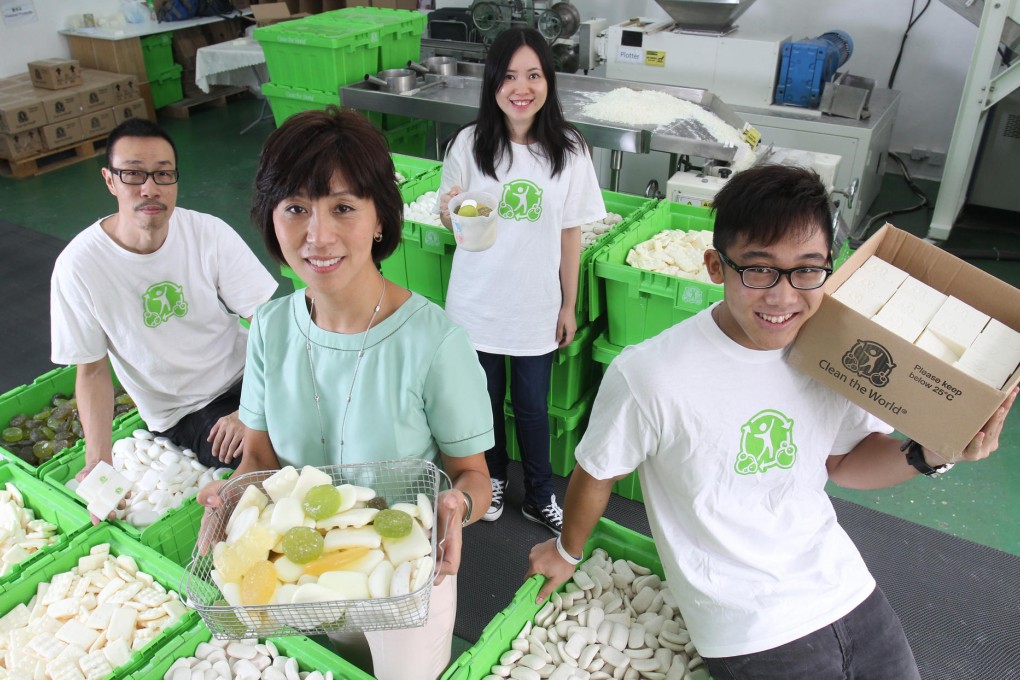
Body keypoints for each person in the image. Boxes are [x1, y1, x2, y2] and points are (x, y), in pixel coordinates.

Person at [527, 164, 1017, 680]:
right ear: (716, 267)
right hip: (746, 623)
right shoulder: (651, 373)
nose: (784, 296)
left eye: (807, 270)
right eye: (759, 270)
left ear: (832, 265)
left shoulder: (832, 353)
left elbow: (847, 464)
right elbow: (596, 472)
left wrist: (933, 453)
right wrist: (567, 550)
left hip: (844, 586)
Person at [197, 108, 494, 680]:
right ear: (270, 219)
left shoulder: (435, 342)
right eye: (296, 208)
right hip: (305, 573)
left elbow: (472, 476)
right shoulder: (271, 328)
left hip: (408, 579)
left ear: (381, 217)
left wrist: (459, 507)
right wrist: (234, 498)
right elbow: (259, 460)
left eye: (343, 207)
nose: (318, 236)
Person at [438, 27, 606, 535]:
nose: (522, 87)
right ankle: (491, 482)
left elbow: (570, 233)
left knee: (532, 408)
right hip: (476, 303)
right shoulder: (470, 144)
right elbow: (450, 215)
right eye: (509, 76)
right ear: (493, 84)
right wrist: (451, 210)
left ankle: (539, 494)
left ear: (548, 82)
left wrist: (568, 305)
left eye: (533, 75)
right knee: (484, 403)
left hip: (535, 305)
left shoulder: (570, 149)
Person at [50, 118, 277, 494]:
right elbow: (91, 372)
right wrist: (98, 462)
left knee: (327, 419)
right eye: (133, 175)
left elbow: (270, 324)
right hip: (189, 411)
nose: (150, 188)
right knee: (268, 462)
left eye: (163, 174)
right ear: (109, 180)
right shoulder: (79, 266)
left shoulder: (207, 233)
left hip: (250, 374)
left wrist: (252, 406)